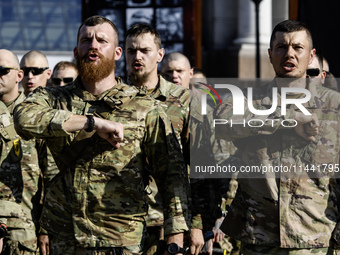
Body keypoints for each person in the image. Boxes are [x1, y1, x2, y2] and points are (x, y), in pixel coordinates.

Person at [13, 15, 189, 255]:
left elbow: (172, 175)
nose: (93, 46)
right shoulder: (55, 98)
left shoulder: (145, 107)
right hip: (65, 237)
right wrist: (91, 123)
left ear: (117, 53)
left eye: (101, 40)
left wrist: (175, 236)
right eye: (86, 40)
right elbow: (23, 118)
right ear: (76, 51)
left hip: (118, 240)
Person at [214, 19, 340, 254]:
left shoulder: (334, 106)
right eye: (281, 47)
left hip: (315, 240)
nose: (289, 54)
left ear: (311, 55)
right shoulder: (249, 100)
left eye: (297, 48)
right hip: (259, 238)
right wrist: (287, 119)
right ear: (270, 54)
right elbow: (222, 122)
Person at [125, 24, 221, 255]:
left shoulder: (186, 102)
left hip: (171, 224)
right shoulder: (116, 98)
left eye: (145, 51)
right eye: (131, 50)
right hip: (123, 222)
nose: (137, 57)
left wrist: (198, 224)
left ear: (159, 54)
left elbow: (202, 168)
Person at [0, 49, 55, 254]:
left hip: (24, 230)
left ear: (18, 76)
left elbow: (50, 175)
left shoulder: (33, 116)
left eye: (3, 71)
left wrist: (46, 228)